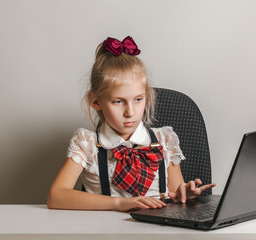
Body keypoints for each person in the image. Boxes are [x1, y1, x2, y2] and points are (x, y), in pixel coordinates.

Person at [47, 36, 216, 212]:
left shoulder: (164, 140)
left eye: (138, 99)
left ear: (147, 96)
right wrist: (118, 204)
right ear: (96, 101)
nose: (130, 112)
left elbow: (175, 195)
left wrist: (184, 194)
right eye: (118, 102)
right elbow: (56, 196)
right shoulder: (87, 144)